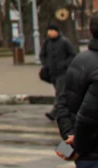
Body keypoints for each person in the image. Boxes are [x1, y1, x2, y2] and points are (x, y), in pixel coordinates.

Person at [56, 14, 98, 164]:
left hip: (85, 157)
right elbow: (88, 118)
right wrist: (78, 147)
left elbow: (62, 105)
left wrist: (69, 140)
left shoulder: (79, 60)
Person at [43, 23, 77, 120]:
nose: (50, 32)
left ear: (56, 31)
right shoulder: (47, 42)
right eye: (49, 30)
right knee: (61, 93)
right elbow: (42, 55)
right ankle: (68, 111)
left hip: (63, 73)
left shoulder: (64, 42)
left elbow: (72, 54)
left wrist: (65, 64)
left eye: (52, 30)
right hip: (52, 73)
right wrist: (46, 64)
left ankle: (54, 113)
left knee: (59, 93)